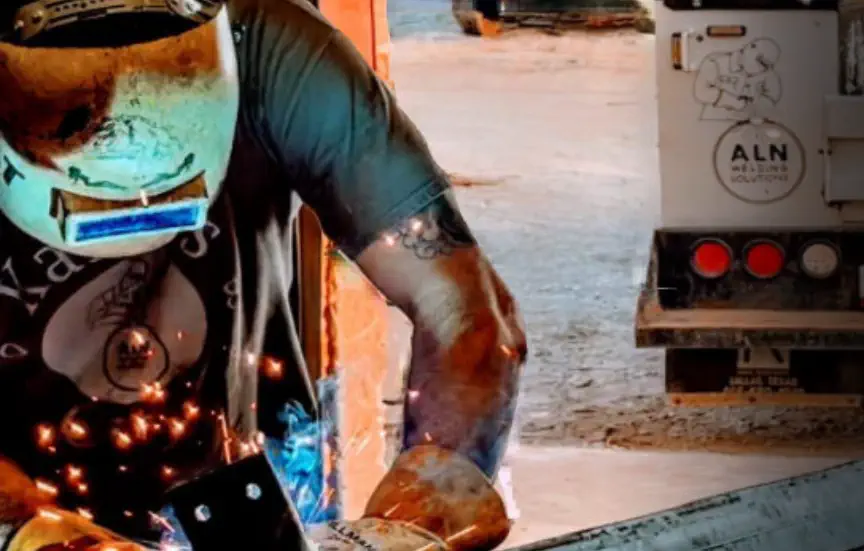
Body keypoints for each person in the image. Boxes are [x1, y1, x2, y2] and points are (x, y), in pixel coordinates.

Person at [0, 0, 526, 548]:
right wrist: (34, 532)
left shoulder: (274, 51)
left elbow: (464, 311)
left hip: (264, 500)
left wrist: (419, 513)